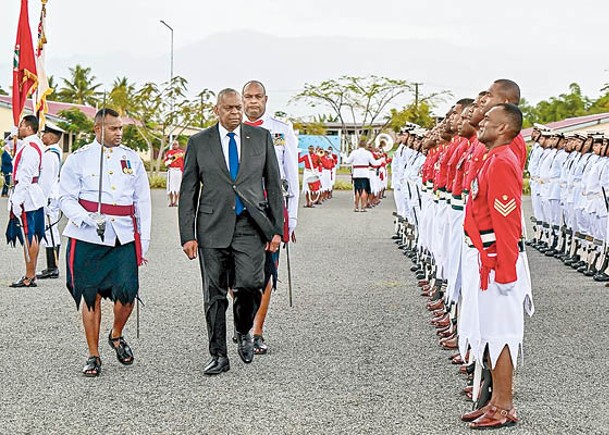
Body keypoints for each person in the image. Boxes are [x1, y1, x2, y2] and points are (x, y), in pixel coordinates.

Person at [178, 88, 284, 376]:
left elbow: (274, 185)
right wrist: (187, 235)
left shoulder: (261, 139)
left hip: (250, 226)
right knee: (214, 295)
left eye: (238, 107)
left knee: (251, 284)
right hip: (212, 228)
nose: (236, 112)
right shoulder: (200, 142)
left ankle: (243, 329)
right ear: (217, 110)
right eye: (229, 108)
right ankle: (218, 354)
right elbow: (188, 191)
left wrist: (277, 229)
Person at [59, 108, 151, 377]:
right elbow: (65, 197)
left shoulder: (131, 159)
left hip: (122, 235)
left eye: (121, 128)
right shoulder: (78, 159)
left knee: (127, 292)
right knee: (90, 295)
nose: (119, 133)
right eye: (113, 128)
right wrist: (86, 217)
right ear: (97, 129)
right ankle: (93, 354)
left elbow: (142, 201)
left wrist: (142, 240)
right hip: (87, 235)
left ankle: (116, 334)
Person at [460, 103, 534, 429]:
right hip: (487, 257)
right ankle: (493, 401)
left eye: (489, 120)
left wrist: (504, 270)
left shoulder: (503, 162)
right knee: (490, 331)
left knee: (503, 334)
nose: (482, 123)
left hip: (498, 260)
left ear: (504, 128)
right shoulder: (492, 158)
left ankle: (504, 405)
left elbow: (507, 222)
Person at [242, 79, 299, 355]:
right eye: (248, 97)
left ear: (266, 100)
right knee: (236, 274)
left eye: (258, 96)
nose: (253, 101)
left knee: (265, 273)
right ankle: (243, 323)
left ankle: (257, 331)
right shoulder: (231, 130)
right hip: (239, 210)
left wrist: (292, 219)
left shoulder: (280, 130)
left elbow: (291, 176)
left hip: (270, 209)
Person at [7, 115, 47, 288]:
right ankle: (31, 274)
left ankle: (29, 276)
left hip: (27, 195)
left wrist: (17, 199)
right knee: (32, 235)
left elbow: (25, 175)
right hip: (32, 192)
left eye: (21, 125)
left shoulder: (30, 147)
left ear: (28, 127)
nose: (19, 127)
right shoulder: (34, 144)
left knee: (29, 235)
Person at [37, 123, 63, 279]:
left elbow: (45, 182)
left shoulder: (49, 155)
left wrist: (42, 199)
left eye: (45, 133)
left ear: (52, 137)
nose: (42, 136)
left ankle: (53, 267)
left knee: (50, 230)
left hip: (49, 197)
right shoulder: (55, 152)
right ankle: (53, 265)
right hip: (53, 196)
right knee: (52, 230)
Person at [345, 139, 384, 212]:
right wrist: (381, 160)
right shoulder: (368, 153)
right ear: (365, 145)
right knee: (364, 190)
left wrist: (343, 155)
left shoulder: (354, 152)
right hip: (365, 172)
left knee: (357, 190)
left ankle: (356, 207)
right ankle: (363, 207)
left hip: (356, 172)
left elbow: (347, 161)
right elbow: (374, 163)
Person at [163, 140, 185, 207]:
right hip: (172, 171)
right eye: (173, 144)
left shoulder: (182, 153)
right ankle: (171, 201)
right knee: (171, 187)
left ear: (178, 145)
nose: (174, 145)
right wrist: (168, 161)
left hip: (179, 171)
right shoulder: (169, 153)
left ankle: (176, 201)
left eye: (176, 144)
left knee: (178, 187)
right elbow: (165, 162)